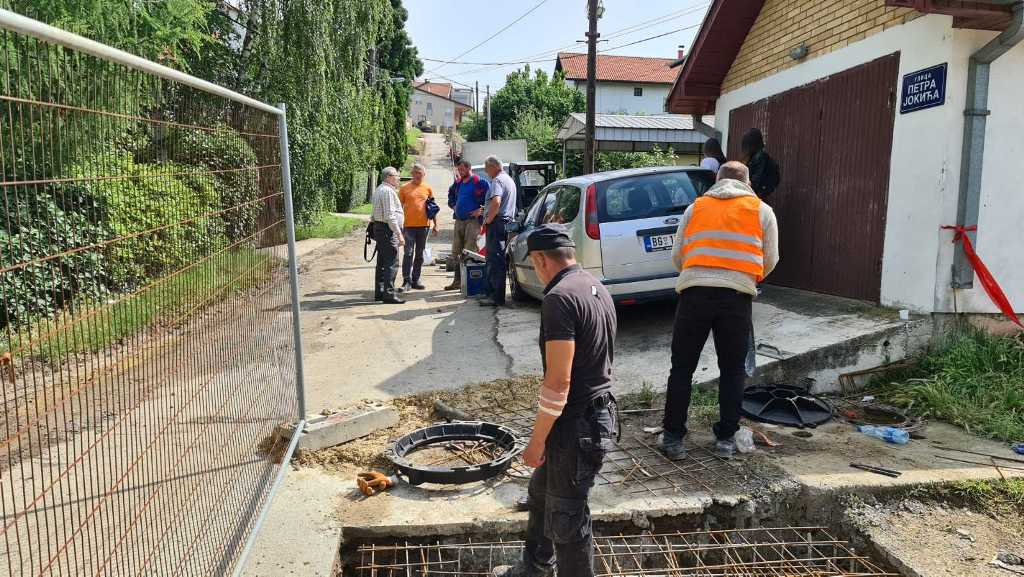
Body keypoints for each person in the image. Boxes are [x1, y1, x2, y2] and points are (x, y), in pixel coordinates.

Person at [492, 224, 618, 577]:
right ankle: (535, 568)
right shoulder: (595, 287)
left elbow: (559, 380)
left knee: (567, 516)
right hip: (594, 415)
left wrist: (536, 441)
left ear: (540, 259)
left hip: (577, 425)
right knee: (542, 491)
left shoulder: (559, 298)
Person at [660, 161, 779, 459]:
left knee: (682, 369)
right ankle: (725, 440)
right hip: (736, 299)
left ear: (716, 180)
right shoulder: (762, 210)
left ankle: (673, 437)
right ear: (748, 183)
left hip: (693, 295)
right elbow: (771, 258)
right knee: (732, 371)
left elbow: (678, 257)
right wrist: (745, 275)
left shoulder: (695, 208)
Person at [445, 159, 489, 291]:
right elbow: (451, 195)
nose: (460, 172)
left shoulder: (479, 182)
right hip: (459, 221)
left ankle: (469, 283)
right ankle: (457, 281)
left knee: (470, 251)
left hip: (473, 222)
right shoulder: (458, 183)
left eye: (462, 170)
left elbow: (490, 200)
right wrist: (454, 206)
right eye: (459, 170)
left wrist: (480, 210)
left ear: (469, 168)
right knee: (456, 251)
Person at [479, 155, 517, 307]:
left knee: (495, 261)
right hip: (505, 223)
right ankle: (495, 295)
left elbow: (496, 202)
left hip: (497, 223)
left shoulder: (497, 180)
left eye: (487, 168)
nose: (486, 172)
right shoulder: (508, 179)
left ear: (494, 166)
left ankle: (496, 297)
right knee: (498, 260)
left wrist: (488, 219)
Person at [399, 163, 438, 291]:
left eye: (419, 173)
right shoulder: (404, 188)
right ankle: (406, 281)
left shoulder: (427, 188)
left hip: (424, 226)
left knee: (419, 254)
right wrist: (398, 226)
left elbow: (432, 208)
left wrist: (436, 225)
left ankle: (416, 279)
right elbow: (398, 208)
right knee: (408, 253)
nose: (417, 175)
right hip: (408, 227)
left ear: (423, 174)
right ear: (411, 174)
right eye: (415, 173)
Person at [370, 166, 405, 304]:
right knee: (391, 261)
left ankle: (381, 291)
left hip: (380, 228)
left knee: (382, 262)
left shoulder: (379, 189)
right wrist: (399, 234)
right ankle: (389, 294)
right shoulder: (388, 192)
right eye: (397, 176)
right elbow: (390, 216)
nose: (398, 178)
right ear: (389, 177)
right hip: (387, 230)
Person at [740, 128, 780, 199]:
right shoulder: (754, 156)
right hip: (755, 195)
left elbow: (755, 180)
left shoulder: (760, 157)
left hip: (755, 196)